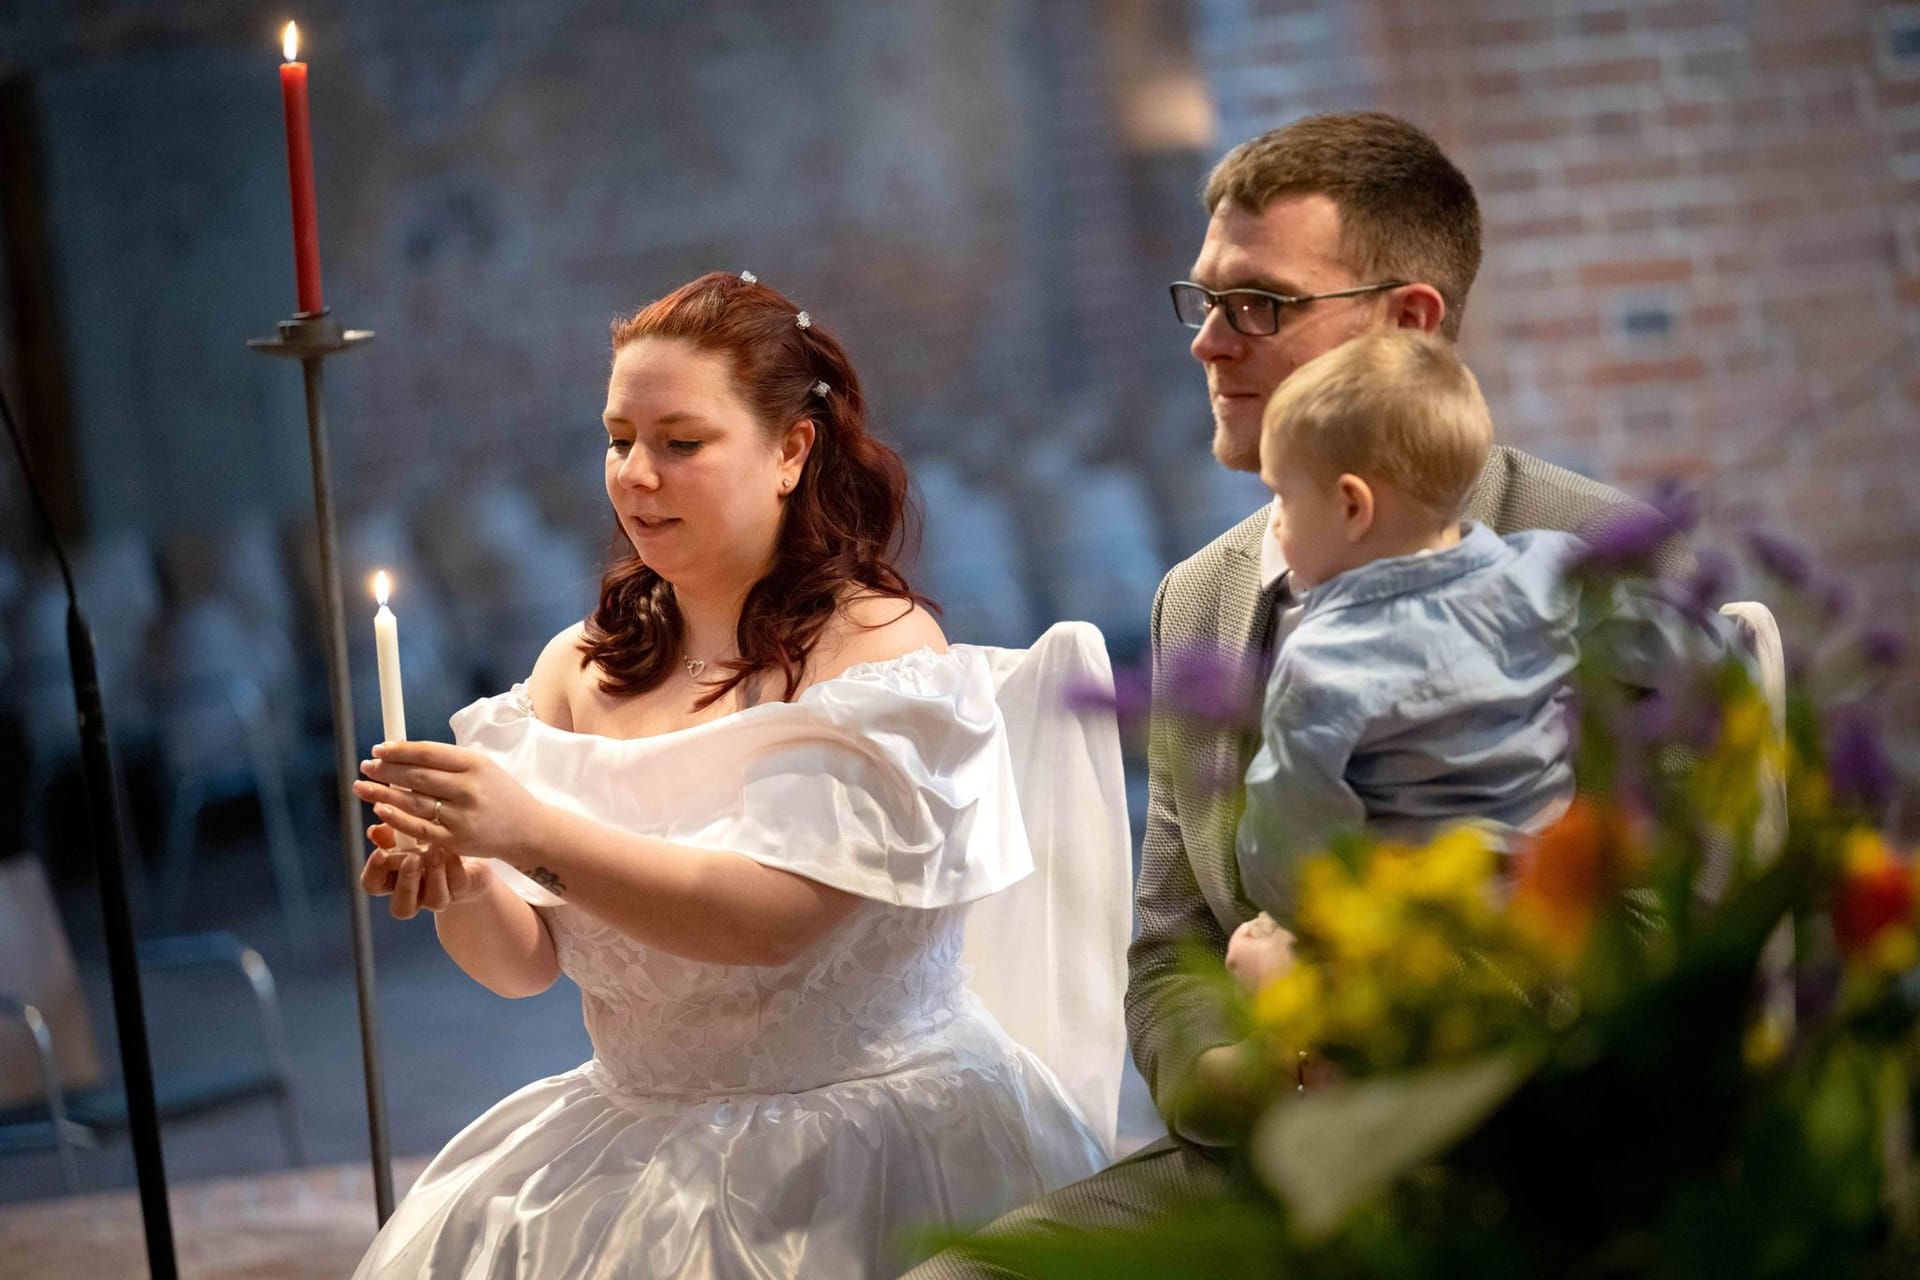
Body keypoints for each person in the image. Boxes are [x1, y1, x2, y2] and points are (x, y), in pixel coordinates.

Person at [905, 110, 1690, 1276]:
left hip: (1531, 1175)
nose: (1209, 343)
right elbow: (1172, 951)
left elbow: (1660, 941)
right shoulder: (1199, 598)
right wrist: (1255, 1067)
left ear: (1409, 321)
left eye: (1260, 303)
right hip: (1261, 1158)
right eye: (1205, 298)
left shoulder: (1594, 562)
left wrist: (1352, 1037)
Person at [349, 272, 1116, 1279]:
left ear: (791, 450)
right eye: (619, 437)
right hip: (633, 1140)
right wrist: (467, 878)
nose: (636, 474)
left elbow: (770, 920)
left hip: (867, 1151)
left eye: (681, 441)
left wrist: (524, 828)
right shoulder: (573, 668)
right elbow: (523, 963)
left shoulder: (877, 648)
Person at [1230, 329, 1730, 957]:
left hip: (1424, 946)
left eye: (1282, 495)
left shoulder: (1323, 659)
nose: (1273, 520)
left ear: (1353, 507)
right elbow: (1693, 643)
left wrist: (1283, 921)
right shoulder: (1549, 572)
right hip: (1561, 917)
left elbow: (1289, 843)